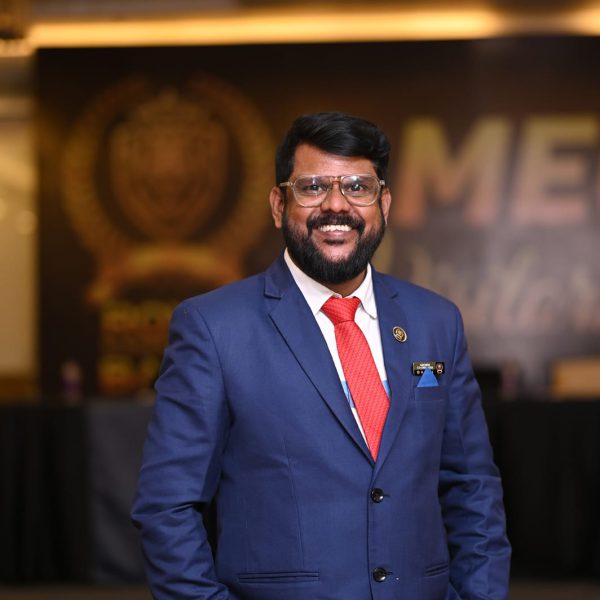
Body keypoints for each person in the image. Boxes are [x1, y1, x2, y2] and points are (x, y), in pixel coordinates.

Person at [132, 111, 511, 599]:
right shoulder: (212, 327)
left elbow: (473, 486)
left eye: (357, 187)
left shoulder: (436, 321)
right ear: (278, 204)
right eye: (312, 187)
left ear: (384, 203)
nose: (336, 205)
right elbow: (166, 507)